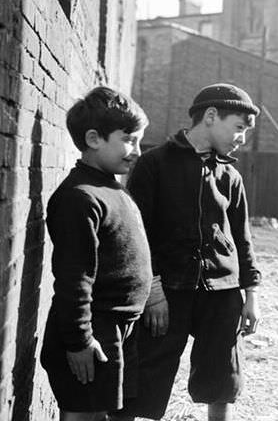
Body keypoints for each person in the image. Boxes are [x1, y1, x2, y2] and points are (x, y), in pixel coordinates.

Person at [112, 83, 262, 421]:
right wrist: (153, 291)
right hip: (168, 291)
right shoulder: (154, 164)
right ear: (210, 116)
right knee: (146, 374)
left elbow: (242, 239)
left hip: (222, 292)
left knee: (222, 374)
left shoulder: (231, 176)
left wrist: (250, 294)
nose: (242, 138)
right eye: (238, 128)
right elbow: (138, 236)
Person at [40, 87, 152, 421]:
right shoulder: (80, 197)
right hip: (93, 330)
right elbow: (74, 276)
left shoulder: (111, 188)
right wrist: (79, 341)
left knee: (105, 414)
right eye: (129, 139)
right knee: (83, 415)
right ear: (93, 138)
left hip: (117, 327)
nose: (137, 151)